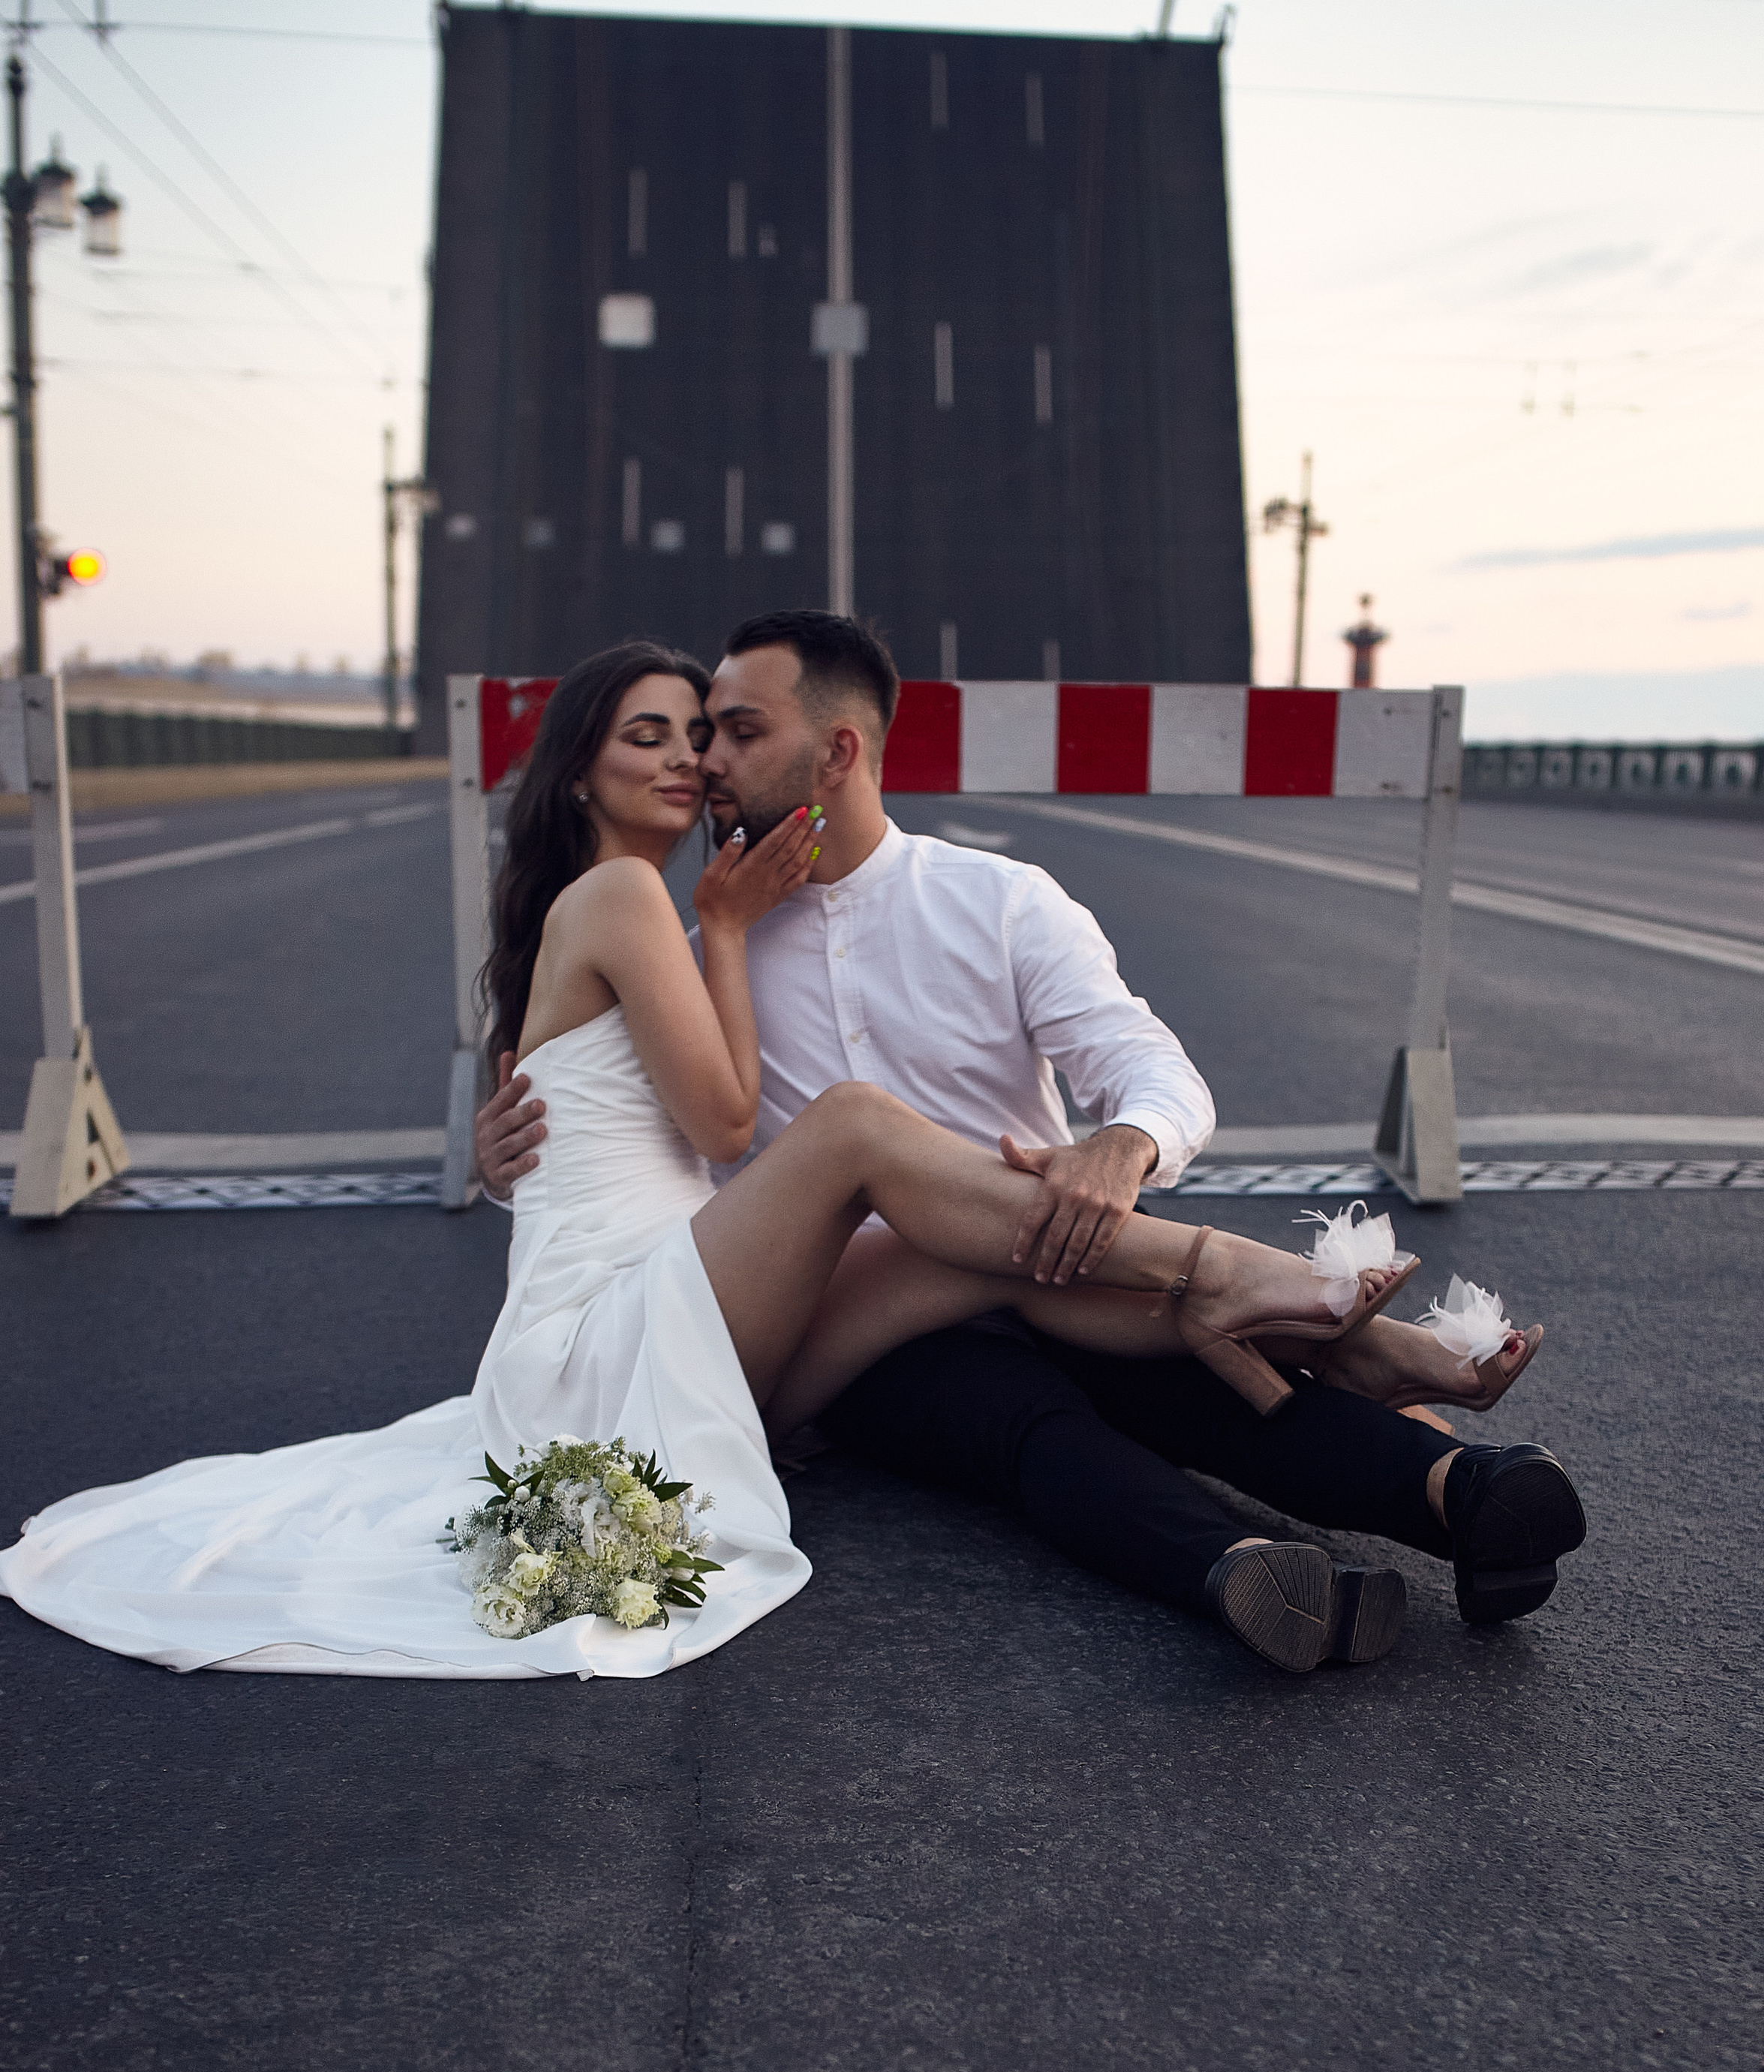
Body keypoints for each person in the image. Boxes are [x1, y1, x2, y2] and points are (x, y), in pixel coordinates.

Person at [0, 642, 1440, 1683]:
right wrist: (733, 932)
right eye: (651, 737)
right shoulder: (635, 899)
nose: (690, 759)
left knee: (978, 1255)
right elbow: (730, 1128)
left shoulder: (669, 919)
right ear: (580, 767)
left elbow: (586, 1132)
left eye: (702, 734)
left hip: (688, 1320)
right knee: (857, 1127)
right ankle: (1256, 1277)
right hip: (613, 1336)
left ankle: (1309, 1334)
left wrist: (524, 1141)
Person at [477, 613, 1587, 1662]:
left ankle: (1466, 1494)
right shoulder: (700, 954)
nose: (707, 760)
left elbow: (1152, 1069)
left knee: (1191, 1383)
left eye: (736, 731)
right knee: (1021, 1421)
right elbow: (631, 1140)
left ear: (839, 751)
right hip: (870, 1324)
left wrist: (1124, 1145)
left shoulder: (998, 900)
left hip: (1057, 1249)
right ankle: (1242, 1563)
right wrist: (506, 1157)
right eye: (690, 735)